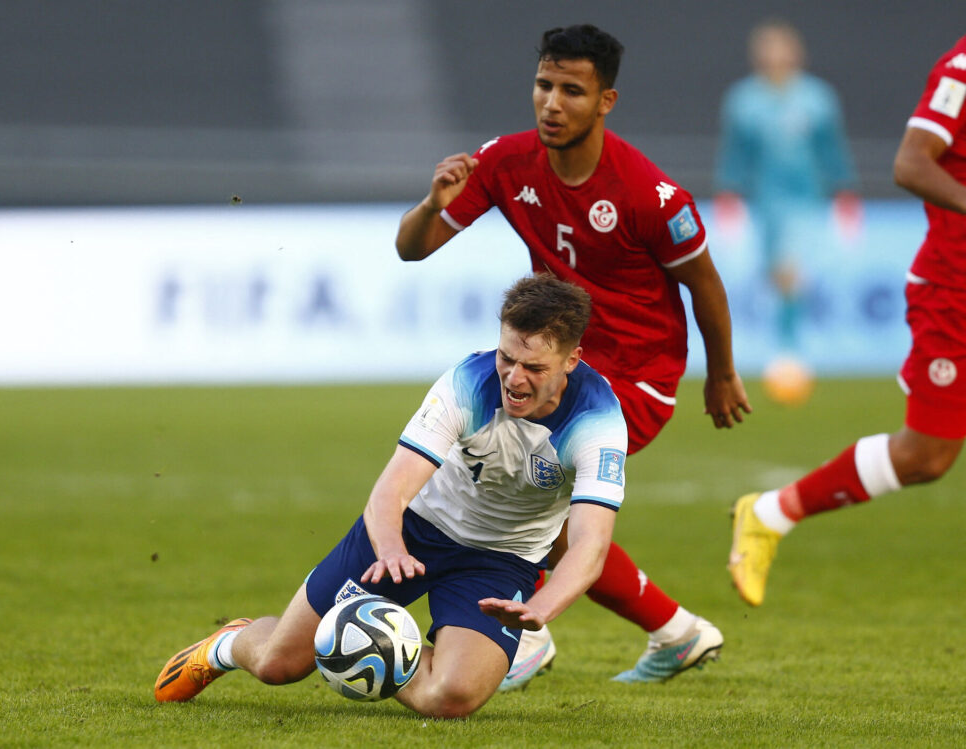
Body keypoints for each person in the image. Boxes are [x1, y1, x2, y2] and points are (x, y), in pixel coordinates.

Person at [395, 23, 748, 686]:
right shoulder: (506, 161)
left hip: (636, 378)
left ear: (604, 101)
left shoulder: (650, 194)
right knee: (528, 493)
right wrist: (428, 203)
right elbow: (414, 247)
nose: (552, 103)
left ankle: (527, 636)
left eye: (572, 91)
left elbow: (705, 283)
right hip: (559, 365)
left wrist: (721, 373)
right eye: (544, 85)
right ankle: (674, 630)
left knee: (523, 481)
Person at [155, 274, 640, 719]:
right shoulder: (466, 383)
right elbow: (390, 490)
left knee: (451, 699)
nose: (513, 378)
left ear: (572, 361)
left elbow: (590, 545)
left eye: (533, 367)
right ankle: (228, 644)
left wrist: (542, 606)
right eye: (506, 357)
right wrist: (390, 548)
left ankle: (362, 650)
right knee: (278, 665)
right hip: (413, 531)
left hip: (501, 560)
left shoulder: (598, 422)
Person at [729, 34, 966, 607]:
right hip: (955, 289)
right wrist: (735, 196)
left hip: (812, 199)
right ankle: (771, 513)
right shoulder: (962, 67)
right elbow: (911, 163)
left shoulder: (816, 98)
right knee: (926, 456)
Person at [714, 20, 859, 376]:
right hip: (764, 202)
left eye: (782, 48)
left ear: (797, 53)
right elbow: (734, 154)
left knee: (790, 269)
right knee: (773, 273)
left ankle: (789, 350)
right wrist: (727, 194)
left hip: (805, 200)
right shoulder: (743, 101)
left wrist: (845, 191)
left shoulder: (817, 98)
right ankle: (780, 342)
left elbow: (832, 150)